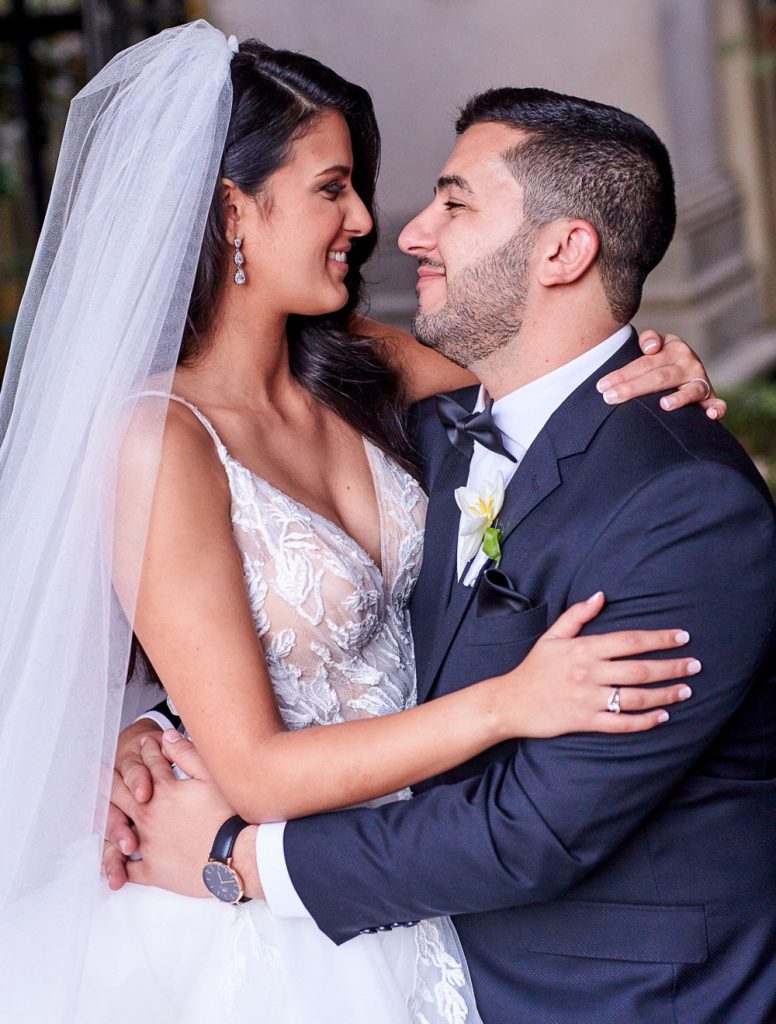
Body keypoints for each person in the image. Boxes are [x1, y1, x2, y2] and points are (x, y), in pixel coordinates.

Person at [0, 22, 722, 1024]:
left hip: (425, 879)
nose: (368, 220)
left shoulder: (363, 366)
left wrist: (658, 357)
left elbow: (553, 368)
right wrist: (509, 704)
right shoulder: (157, 442)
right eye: (331, 188)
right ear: (232, 211)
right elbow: (254, 767)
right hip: (271, 909)